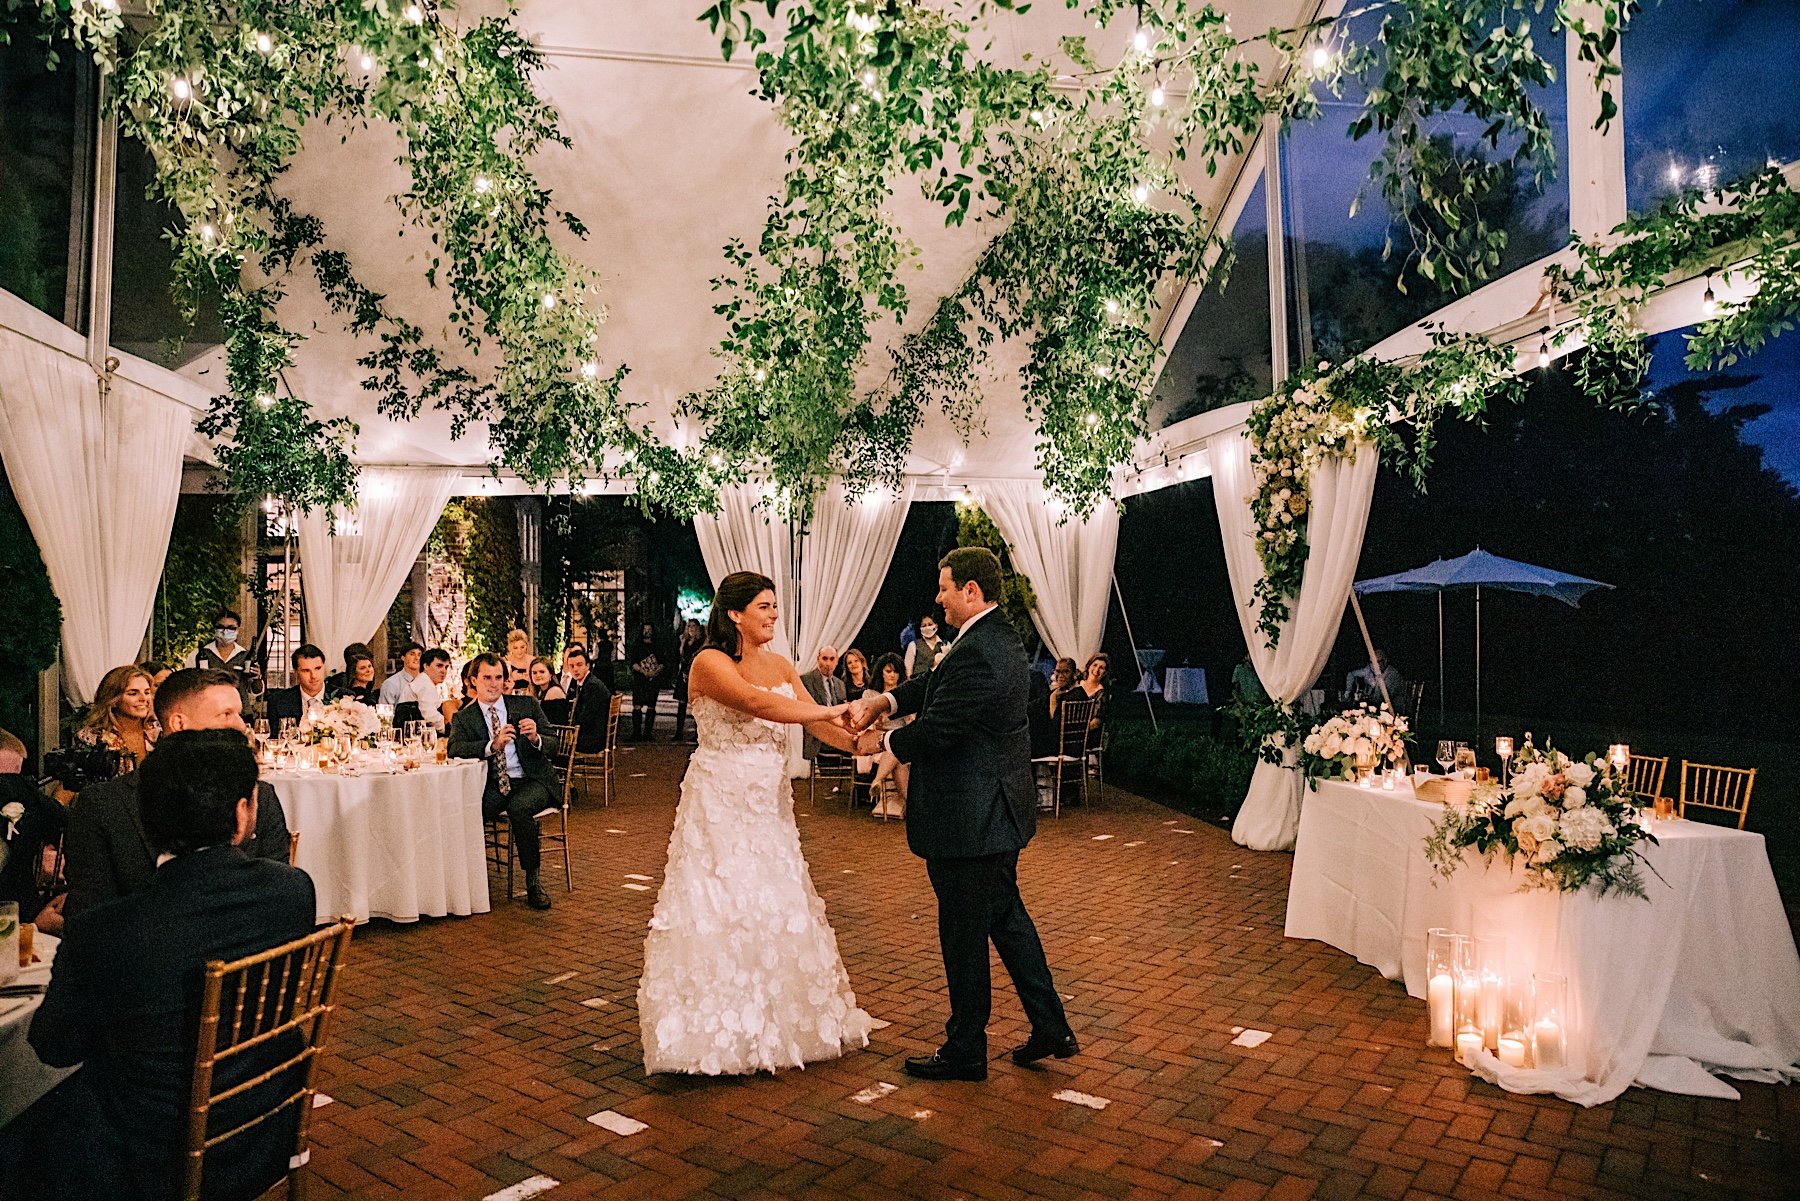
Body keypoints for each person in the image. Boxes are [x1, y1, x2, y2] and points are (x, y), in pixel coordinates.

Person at [4, 730, 315, 1201]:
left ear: (148, 820)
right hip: (267, 1116)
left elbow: (55, 1045)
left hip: (149, 1149)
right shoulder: (292, 890)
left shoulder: (107, 929)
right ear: (241, 813)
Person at [847, 547, 1076, 1082]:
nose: (938, 596)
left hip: (972, 821)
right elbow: (936, 688)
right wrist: (886, 699)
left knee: (963, 934)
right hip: (993, 816)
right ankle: (1051, 1027)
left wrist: (883, 740)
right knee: (1007, 922)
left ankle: (966, 1049)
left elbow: (942, 727)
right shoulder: (993, 637)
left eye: (945, 586)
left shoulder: (981, 648)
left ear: (971, 591)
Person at [638, 571, 872, 1075]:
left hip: (768, 809)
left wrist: (865, 743)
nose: (773, 614)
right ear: (734, 614)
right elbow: (757, 703)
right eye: (764, 606)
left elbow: (814, 722)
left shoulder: (782, 664)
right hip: (719, 803)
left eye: (774, 606)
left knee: (775, 898)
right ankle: (714, 1032)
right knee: (720, 903)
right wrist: (836, 705)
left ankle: (780, 1020)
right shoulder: (710, 662)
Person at [63, 668, 294, 921]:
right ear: (179, 724)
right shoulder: (103, 805)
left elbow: (275, 895)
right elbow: (92, 915)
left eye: (238, 713)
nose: (240, 725)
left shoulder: (259, 794)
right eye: (225, 714)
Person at [448, 653, 562, 911]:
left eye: (498, 677)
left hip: (533, 780)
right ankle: (464, 882)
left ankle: (533, 882)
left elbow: (554, 743)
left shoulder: (526, 705)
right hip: (494, 783)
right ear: (473, 681)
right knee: (465, 814)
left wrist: (536, 739)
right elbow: (455, 748)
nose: (493, 683)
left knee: (519, 809)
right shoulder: (464, 718)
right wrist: (492, 745)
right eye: (487, 678)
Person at [0, 727, 65, 930]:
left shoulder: (30, 801)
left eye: (17, 778)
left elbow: (66, 824)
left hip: (21, 910)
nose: (12, 788)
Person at [73, 665, 157, 778]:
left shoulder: (158, 732)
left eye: (147, 692)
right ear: (113, 700)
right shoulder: (93, 737)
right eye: (133, 693)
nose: (143, 698)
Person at [187, 608, 263, 710]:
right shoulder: (198, 655)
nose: (225, 631)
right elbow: (187, 686)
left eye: (231, 628)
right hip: (208, 712)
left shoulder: (246, 656)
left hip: (239, 713)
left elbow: (255, 692)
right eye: (221, 627)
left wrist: (257, 678)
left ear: (238, 630)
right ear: (214, 629)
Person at [866, 653, 911, 818]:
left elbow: (911, 724)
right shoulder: (871, 695)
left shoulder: (906, 693)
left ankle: (878, 780)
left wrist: (908, 711)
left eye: (896, 672)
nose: (892, 675)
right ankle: (911, 804)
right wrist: (879, 717)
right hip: (877, 738)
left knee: (897, 750)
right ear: (881, 672)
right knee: (895, 748)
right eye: (888, 671)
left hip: (901, 737)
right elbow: (867, 725)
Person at [799, 645, 846, 763]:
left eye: (832, 659)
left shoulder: (840, 684)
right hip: (816, 734)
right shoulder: (805, 680)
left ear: (837, 661)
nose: (828, 663)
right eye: (824, 658)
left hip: (838, 733)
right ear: (818, 659)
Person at [264, 644, 329, 728]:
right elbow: (274, 739)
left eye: (318, 668)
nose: (313, 676)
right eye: (306, 670)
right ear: (296, 672)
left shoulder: (345, 699)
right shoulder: (278, 702)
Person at [563, 645, 613, 754]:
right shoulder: (584, 683)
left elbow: (586, 717)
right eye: (571, 666)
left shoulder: (592, 686)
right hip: (591, 736)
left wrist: (569, 732)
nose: (575, 669)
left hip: (593, 740)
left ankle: (563, 770)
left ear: (588, 666)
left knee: (556, 744)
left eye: (579, 665)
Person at [628, 623, 665, 741]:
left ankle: (648, 733)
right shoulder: (637, 645)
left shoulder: (658, 646)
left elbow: (663, 662)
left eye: (649, 629)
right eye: (645, 629)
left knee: (651, 706)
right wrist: (644, 672)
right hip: (639, 680)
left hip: (653, 680)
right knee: (637, 706)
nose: (647, 632)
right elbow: (633, 662)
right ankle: (636, 733)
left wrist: (655, 672)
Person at [671, 619, 705, 742]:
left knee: (696, 704)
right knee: (681, 703)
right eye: (689, 626)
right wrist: (682, 643)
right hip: (684, 674)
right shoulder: (685, 641)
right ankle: (678, 731)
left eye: (693, 626)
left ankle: (697, 733)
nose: (691, 628)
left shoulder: (701, 642)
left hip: (695, 675)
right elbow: (680, 656)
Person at [1063, 652, 1111, 733]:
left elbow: (1096, 722)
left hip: (1083, 733)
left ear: (1105, 673)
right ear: (1089, 666)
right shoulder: (1076, 683)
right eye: (1094, 665)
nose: (1096, 670)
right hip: (1063, 725)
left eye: (1101, 668)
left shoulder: (1101, 694)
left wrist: (1076, 730)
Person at [410, 648, 454, 731]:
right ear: (426, 666)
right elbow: (430, 716)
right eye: (439, 666)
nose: (444, 671)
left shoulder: (422, 681)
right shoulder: (425, 684)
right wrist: (451, 730)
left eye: (446, 667)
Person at [378, 641, 424, 707]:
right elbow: (384, 713)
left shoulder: (426, 682)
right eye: (412, 654)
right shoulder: (390, 684)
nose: (417, 658)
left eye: (419, 655)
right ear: (403, 658)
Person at [904, 614, 948, 682]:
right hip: (919, 685)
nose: (927, 627)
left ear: (936, 625)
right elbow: (908, 671)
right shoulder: (913, 645)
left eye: (930, 624)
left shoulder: (945, 644)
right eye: (924, 626)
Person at [527, 657, 569, 723]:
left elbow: (546, 721)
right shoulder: (539, 692)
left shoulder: (554, 691)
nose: (538, 675)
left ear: (551, 674)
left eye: (542, 672)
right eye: (534, 673)